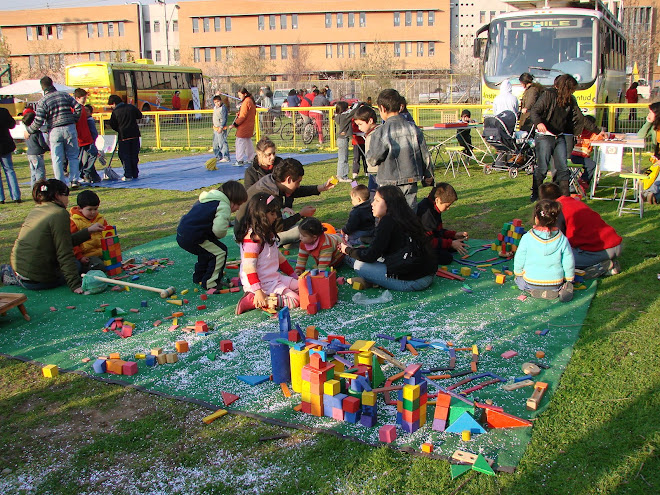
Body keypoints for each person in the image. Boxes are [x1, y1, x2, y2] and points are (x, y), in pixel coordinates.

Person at [2, 179, 103, 292]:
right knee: (77, 265)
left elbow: (62, 241)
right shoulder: (59, 214)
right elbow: (64, 252)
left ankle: (12, 274)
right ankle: (14, 277)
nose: (68, 200)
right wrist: (75, 285)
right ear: (57, 195)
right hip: (36, 280)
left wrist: (87, 231)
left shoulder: (38, 208)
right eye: (66, 195)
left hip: (19, 267)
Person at [339, 185, 436, 291]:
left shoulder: (387, 221)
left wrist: (347, 250)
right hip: (428, 274)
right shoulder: (407, 215)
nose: (372, 204)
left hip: (412, 282)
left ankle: (373, 282)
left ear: (389, 204)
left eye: (377, 200)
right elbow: (384, 249)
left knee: (359, 265)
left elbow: (370, 256)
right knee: (365, 257)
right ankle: (373, 281)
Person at [529, 74, 606, 200]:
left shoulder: (571, 100)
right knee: (542, 168)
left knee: (563, 168)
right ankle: (536, 194)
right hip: (544, 136)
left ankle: (565, 197)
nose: (573, 92)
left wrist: (597, 131)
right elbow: (535, 111)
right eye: (572, 89)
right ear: (566, 88)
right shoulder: (548, 95)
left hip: (559, 136)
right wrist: (539, 123)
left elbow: (580, 118)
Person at [237, 158, 335, 245]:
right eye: (298, 182)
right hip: (248, 236)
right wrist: (300, 214)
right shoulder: (271, 195)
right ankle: (276, 241)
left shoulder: (271, 181)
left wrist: (320, 188)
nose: (298, 185)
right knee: (302, 231)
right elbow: (279, 227)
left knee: (289, 219)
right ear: (288, 179)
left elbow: (294, 191)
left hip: (246, 228)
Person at [367, 89, 434, 210]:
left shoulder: (381, 131)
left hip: (388, 181)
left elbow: (373, 159)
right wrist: (428, 175)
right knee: (409, 215)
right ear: (400, 106)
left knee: (389, 215)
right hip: (410, 178)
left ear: (382, 108)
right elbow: (425, 155)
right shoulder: (413, 128)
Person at [538, 182, 622, 278]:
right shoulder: (573, 202)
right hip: (614, 244)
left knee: (554, 260)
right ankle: (601, 264)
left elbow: (556, 241)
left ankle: (602, 268)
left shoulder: (558, 211)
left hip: (599, 251)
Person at [235, 192, 299, 315]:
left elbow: (278, 258)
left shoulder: (267, 233)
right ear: (261, 215)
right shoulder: (252, 239)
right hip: (261, 284)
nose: (275, 217)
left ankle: (268, 296)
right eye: (272, 214)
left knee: (302, 286)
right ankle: (253, 300)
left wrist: (293, 276)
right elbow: (249, 268)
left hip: (273, 278)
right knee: (295, 300)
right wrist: (258, 291)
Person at [177, 181, 248, 290]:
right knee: (220, 252)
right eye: (238, 204)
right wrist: (220, 233)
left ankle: (199, 277)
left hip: (183, 233)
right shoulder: (223, 205)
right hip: (194, 236)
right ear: (232, 200)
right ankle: (211, 282)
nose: (238, 208)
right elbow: (219, 230)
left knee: (207, 252)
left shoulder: (207, 198)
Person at [513, 199, 574, 301]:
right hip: (555, 283)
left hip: (531, 282)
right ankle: (561, 290)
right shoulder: (562, 238)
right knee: (564, 284)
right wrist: (569, 278)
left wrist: (518, 272)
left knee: (519, 281)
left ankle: (532, 291)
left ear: (536, 218)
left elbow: (520, 257)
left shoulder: (527, 237)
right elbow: (568, 260)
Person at [27, 76, 82, 187]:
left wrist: (29, 130)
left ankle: (60, 182)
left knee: (57, 158)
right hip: (69, 127)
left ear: (42, 87)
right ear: (52, 84)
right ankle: (74, 180)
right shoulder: (64, 95)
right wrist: (74, 119)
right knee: (73, 156)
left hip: (54, 130)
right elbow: (78, 107)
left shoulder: (42, 101)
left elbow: (39, 120)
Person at [416, 183, 469, 265]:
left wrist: (454, 235)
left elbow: (438, 231)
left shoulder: (435, 207)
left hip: (431, 239)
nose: (448, 209)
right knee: (446, 258)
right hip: (422, 245)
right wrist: (450, 243)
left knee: (460, 244)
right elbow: (427, 241)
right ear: (438, 200)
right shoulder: (427, 214)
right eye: (447, 206)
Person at [70, 190, 109, 273]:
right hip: (87, 256)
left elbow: (107, 234)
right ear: (80, 208)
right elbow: (72, 242)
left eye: (95, 209)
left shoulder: (100, 219)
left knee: (115, 262)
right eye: (89, 209)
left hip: (102, 252)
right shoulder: (74, 221)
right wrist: (80, 257)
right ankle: (85, 270)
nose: (93, 212)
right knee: (100, 267)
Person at [107, 94, 142, 181]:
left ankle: (128, 174)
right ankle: (135, 173)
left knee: (125, 156)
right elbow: (139, 115)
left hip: (124, 136)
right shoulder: (131, 107)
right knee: (134, 155)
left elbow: (112, 124)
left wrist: (119, 129)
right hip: (135, 135)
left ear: (114, 103)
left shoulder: (115, 112)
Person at [353, 105, 380, 198]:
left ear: (370, 121)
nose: (359, 128)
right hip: (373, 173)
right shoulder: (370, 134)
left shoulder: (376, 135)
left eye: (360, 124)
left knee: (374, 200)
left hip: (378, 173)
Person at [638, 102, 660, 204]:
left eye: (650, 112)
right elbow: (640, 135)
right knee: (654, 172)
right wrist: (648, 122)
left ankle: (651, 193)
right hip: (657, 158)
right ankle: (652, 194)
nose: (648, 114)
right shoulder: (654, 128)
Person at [570, 115, 599, 191]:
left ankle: (583, 183)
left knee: (590, 165)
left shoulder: (577, 131)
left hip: (574, 156)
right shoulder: (592, 134)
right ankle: (583, 181)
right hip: (578, 156)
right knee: (592, 165)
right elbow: (602, 137)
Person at [22, 109, 49, 189]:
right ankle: (40, 188)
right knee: (40, 172)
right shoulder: (37, 133)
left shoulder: (26, 132)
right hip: (37, 154)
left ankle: (34, 188)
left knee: (33, 172)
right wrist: (47, 148)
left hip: (30, 154)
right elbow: (42, 143)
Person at [73, 89, 94, 187]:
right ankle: (82, 174)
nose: (85, 100)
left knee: (90, 155)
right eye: (83, 98)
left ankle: (85, 173)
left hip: (86, 137)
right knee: (81, 158)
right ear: (77, 98)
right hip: (80, 138)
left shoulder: (82, 109)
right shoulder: (74, 109)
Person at [0, 106, 21, 204]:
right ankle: (16, 196)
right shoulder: (3, 111)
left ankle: (1, 198)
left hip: (5, 145)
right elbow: (12, 125)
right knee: (9, 170)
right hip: (5, 144)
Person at [231, 88, 257, 166]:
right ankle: (251, 158)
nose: (239, 97)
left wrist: (235, 124)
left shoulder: (246, 102)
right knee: (248, 142)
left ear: (245, 94)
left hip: (244, 126)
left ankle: (239, 160)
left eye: (240, 95)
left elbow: (243, 116)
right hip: (249, 125)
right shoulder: (250, 101)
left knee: (240, 142)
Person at [334, 101, 358, 182]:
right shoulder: (345, 116)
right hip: (343, 139)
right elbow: (353, 111)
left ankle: (339, 174)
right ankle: (343, 176)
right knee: (344, 158)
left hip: (341, 138)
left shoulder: (338, 116)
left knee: (341, 157)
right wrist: (358, 104)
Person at [81, 104, 103, 183]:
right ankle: (94, 177)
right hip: (86, 142)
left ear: (91, 112)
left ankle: (87, 173)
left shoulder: (89, 120)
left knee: (89, 158)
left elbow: (94, 133)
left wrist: (92, 141)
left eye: (87, 111)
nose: (85, 112)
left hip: (89, 142)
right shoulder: (85, 120)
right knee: (86, 160)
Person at [212, 94, 230, 163]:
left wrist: (221, 127)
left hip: (221, 128)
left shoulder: (223, 108)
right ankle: (218, 156)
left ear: (221, 101)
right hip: (215, 128)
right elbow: (211, 100)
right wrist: (215, 94)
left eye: (218, 101)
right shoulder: (215, 107)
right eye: (215, 102)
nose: (217, 103)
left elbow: (224, 119)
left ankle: (226, 157)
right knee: (215, 144)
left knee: (222, 143)